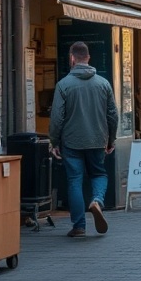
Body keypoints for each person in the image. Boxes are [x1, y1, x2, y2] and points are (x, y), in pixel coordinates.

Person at [50, 41, 119, 238]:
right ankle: (96, 200)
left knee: (74, 181)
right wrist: (111, 139)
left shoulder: (63, 85)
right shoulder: (103, 84)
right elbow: (113, 115)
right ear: (88, 58)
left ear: (72, 58)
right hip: (98, 139)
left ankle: (79, 225)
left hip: (71, 142)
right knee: (99, 174)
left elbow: (57, 118)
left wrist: (54, 141)